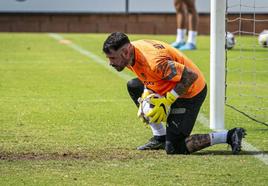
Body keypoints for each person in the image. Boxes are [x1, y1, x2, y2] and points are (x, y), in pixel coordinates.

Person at [102, 32, 246, 155]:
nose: (110, 63)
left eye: (113, 58)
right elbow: (147, 74)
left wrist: (168, 100)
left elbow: (190, 76)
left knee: (174, 148)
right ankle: (160, 137)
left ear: (126, 52)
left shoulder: (154, 62)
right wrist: (147, 94)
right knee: (134, 86)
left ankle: (228, 135)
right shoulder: (130, 52)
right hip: (167, 83)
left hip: (190, 91)